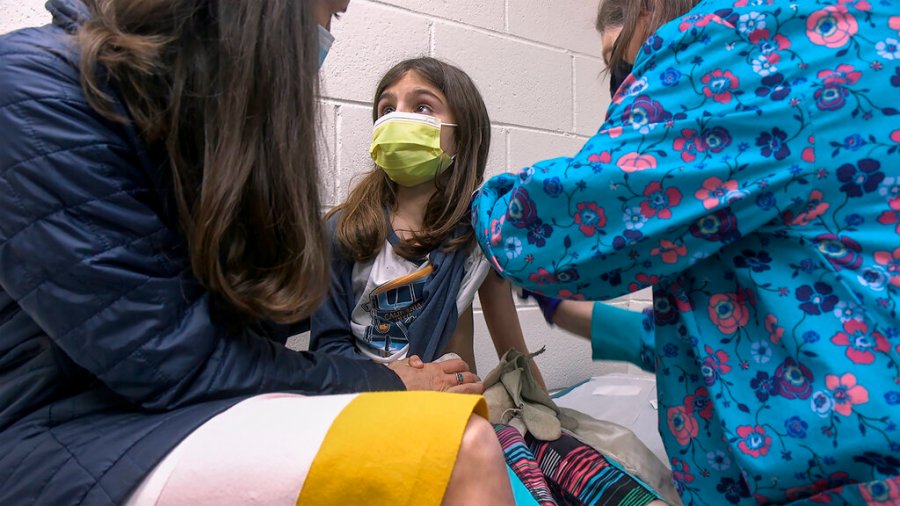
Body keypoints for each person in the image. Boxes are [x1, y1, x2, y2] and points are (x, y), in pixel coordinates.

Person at [0, 0, 515, 504]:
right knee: (456, 450)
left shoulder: (199, 136)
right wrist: (388, 380)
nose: (323, 43)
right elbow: (176, 361)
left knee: (464, 426)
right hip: (71, 432)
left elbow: (248, 324)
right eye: (329, 14)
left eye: (422, 107)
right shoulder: (37, 93)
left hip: (165, 405)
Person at [472, 0, 900, 503]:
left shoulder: (730, 45)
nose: (625, 84)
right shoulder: (865, 32)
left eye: (619, 62)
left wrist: (478, 206)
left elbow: (539, 231)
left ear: (649, 10)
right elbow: (756, 323)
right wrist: (563, 310)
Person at [311, 57, 544, 388]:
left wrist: (548, 413)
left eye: (422, 107)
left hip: (454, 411)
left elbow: (513, 351)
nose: (399, 118)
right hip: (364, 403)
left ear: (466, 136)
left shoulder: (478, 236)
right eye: (387, 109)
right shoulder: (342, 230)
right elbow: (326, 349)